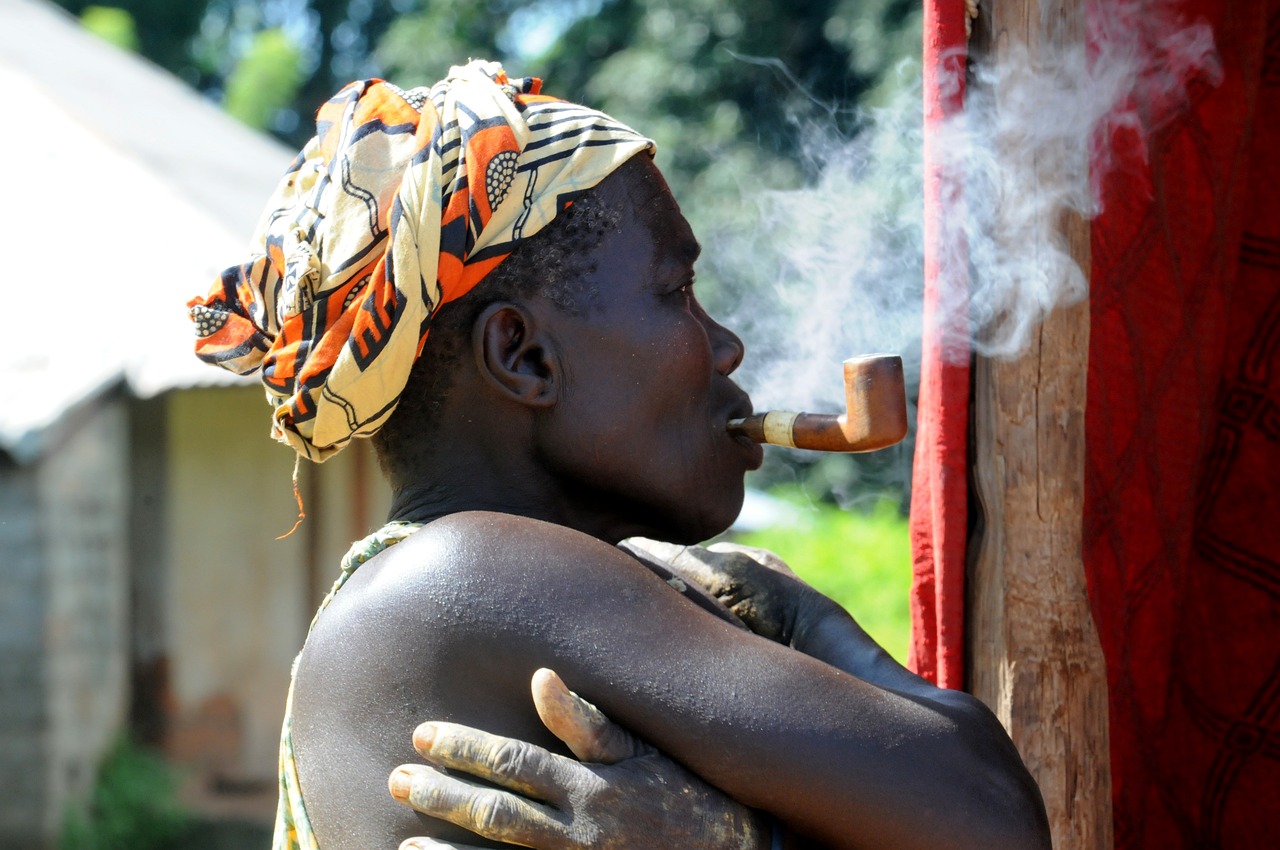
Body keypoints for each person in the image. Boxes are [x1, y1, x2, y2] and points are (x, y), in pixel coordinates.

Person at [189, 61, 1050, 850]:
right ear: (523, 356)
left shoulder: (473, 594)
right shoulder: (480, 572)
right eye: (677, 292)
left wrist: (780, 617)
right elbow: (991, 813)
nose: (726, 346)